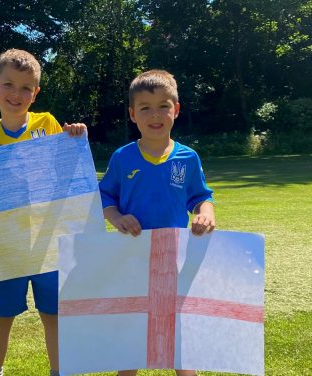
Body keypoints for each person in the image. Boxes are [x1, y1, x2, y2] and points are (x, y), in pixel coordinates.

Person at [0, 48, 86, 376]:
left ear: (35, 93)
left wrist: (76, 138)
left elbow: (66, 174)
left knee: (53, 314)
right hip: (7, 244)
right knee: (2, 314)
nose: (17, 94)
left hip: (47, 239)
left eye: (26, 88)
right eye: (9, 84)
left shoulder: (48, 124)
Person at [98, 69, 216, 376]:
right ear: (132, 114)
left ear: (176, 109)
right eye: (145, 108)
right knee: (132, 327)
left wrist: (206, 213)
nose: (155, 115)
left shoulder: (188, 158)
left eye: (163, 105)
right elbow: (104, 197)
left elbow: (201, 196)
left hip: (173, 260)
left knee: (178, 325)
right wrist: (117, 217)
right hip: (131, 259)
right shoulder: (123, 158)